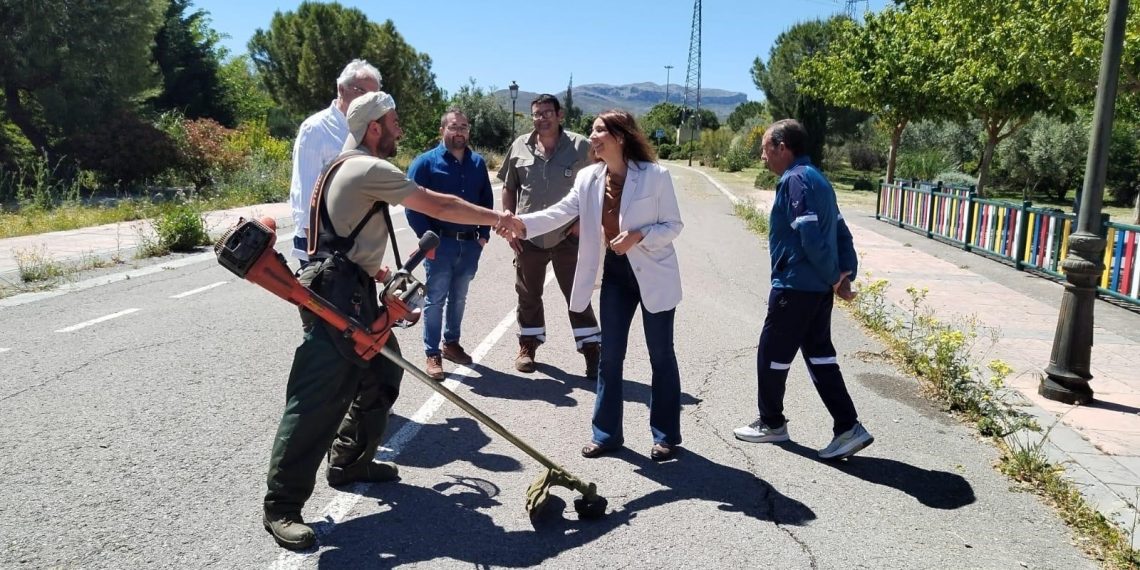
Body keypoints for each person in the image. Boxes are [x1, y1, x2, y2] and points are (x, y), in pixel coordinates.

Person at [262, 91, 523, 551]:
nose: (401, 129)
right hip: (338, 297)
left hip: (350, 288)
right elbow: (438, 205)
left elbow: (345, 234)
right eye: (394, 122)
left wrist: (378, 271)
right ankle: (281, 506)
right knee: (315, 399)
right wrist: (497, 217)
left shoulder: (342, 166)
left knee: (382, 375)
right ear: (375, 128)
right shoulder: (367, 166)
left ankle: (350, 463)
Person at [509, 110, 685, 462]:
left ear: (620, 136)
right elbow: (559, 212)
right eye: (593, 129)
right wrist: (519, 223)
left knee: (661, 356)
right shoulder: (589, 178)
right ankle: (606, 435)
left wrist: (640, 236)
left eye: (600, 130)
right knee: (610, 358)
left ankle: (665, 435)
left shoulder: (656, 176)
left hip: (653, 275)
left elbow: (673, 225)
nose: (592, 136)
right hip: (617, 275)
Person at [732, 118, 873, 461]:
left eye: (765, 148)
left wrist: (834, 278)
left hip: (795, 288)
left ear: (783, 147)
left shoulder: (794, 179)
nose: (762, 156)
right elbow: (841, 232)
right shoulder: (819, 179)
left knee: (771, 356)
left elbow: (810, 236)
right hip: (816, 292)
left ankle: (772, 423)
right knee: (820, 357)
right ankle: (848, 427)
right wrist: (844, 273)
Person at [498, 94, 601, 378]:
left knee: (577, 295)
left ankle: (592, 350)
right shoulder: (520, 145)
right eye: (536, 113)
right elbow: (509, 186)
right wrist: (508, 223)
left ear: (560, 115)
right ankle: (528, 345)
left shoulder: (581, 146)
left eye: (547, 113)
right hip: (529, 237)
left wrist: (583, 221)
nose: (541, 118)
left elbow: (602, 185)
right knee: (528, 294)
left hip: (569, 236)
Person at [406, 109, 495, 380]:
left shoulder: (478, 163)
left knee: (459, 297)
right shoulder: (425, 163)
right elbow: (411, 206)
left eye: (464, 127)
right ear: (442, 130)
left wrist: (483, 236)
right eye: (454, 127)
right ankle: (432, 353)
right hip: (439, 245)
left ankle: (451, 344)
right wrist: (427, 241)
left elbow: (486, 201)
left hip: (469, 245)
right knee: (436, 299)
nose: (460, 132)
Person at [288, 59, 381, 267]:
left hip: (355, 240)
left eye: (374, 96)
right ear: (341, 88)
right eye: (361, 91)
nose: (369, 100)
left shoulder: (367, 130)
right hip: (322, 243)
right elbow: (305, 194)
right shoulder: (316, 129)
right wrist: (316, 251)